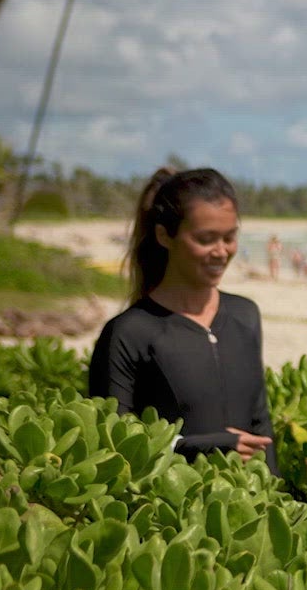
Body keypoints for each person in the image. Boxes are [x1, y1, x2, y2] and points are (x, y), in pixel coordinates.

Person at [88, 167, 277, 474]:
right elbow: (112, 444)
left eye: (230, 237)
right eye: (205, 239)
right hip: (171, 514)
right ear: (165, 236)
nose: (221, 251)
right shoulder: (129, 332)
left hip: (249, 512)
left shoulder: (245, 315)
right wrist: (202, 448)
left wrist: (278, 503)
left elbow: (260, 424)